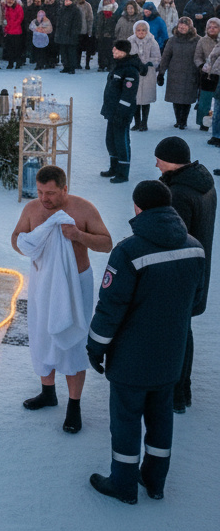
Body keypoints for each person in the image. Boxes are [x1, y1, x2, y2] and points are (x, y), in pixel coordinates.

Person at [86, 180, 205, 504]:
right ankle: (155, 482)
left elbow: (110, 308)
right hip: (171, 356)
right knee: (161, 418)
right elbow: (195, 300)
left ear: (137, 207)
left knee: (126, 421)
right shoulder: (194, 247)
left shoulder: (129, 252)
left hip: (132, 360)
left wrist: (95, 347)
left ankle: (123, 485)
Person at [11, 165, 113, 433]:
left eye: (51, 193)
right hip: (42, 284)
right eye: (41, 192)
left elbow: (106, 243)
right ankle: (48, 392)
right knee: (42, 334)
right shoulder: (32, 209)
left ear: (65, 189)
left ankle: (74, 406)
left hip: (75, 284)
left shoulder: (83, 209)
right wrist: (30, 243)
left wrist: (78, 235)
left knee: (73, 341)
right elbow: (16, 237)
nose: (45, 199)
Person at [153, 137, 215, 413]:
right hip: (198, 269)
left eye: (159, 160)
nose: (155, 164)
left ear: (170, 161)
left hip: (181, 274)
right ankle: (181, 390)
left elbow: (174, 238)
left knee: (178, 333)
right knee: (182, 329)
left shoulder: (179, 192)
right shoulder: (203, 183)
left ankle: (178, 392)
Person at [100, 39, 144, 183]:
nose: (114, 53)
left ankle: (123, 172)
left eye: (117, 51)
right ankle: (114, 167)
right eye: (113, 50)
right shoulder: (119, 65)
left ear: (124, 52)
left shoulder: (130, 69)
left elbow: (128, 94)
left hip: (122, 112)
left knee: (121, 141)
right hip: (112, 110)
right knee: (110, 140)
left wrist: (121, 112)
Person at [158, 16, 200, 129]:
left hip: (190, 73)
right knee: (176, 98)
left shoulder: (197, 40)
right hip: (175, 74)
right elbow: (166, 57)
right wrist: (161, 73)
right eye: (180, 25)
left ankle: (183, 120)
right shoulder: (172, 40)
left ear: (190, 27)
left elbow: (201, 56)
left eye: (185, 25)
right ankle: (178, 120)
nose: (182, 27)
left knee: (186, 99)